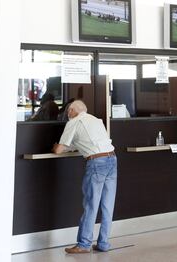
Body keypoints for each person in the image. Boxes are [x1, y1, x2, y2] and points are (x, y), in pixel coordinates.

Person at [52, 100, 117, 253]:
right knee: (107, 205)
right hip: (112, 159)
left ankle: (84, 244)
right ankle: (103, 243)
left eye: (69, 111)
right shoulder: (96, 120)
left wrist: (56, 146)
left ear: (72, 110)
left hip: (97, 163)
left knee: (91, 204)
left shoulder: (74, 122)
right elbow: (83, 142)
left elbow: (59, 150)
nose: (68, 114)